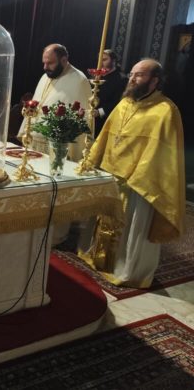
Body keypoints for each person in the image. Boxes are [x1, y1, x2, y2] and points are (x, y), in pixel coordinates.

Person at [80, 59, 185, 288]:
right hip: (111, 175)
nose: (132, 79)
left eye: (139, 75)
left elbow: (163, 154)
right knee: (103, 222)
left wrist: (136, 176)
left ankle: (127, 270)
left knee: (131, 230)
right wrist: (91, 161)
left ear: (154, 81)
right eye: (132, 74)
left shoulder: (165, 111)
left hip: (139, 183)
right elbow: (106, 136)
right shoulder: (124, 104)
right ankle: (100, 260)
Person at [17, 44, 91, 160]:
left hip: (56, 148)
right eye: (44, 63)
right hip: (34, 143)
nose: (45, 67)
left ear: (64, 60)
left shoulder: (79, 80)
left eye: (50, 63)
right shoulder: (45, 77)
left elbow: (82, 120)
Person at [92, 49, 128, 136]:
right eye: (100, 60)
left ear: (114, 60)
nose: (101, 63)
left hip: (107, 119)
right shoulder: (97, 76)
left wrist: (100, 112)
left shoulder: (122, 79)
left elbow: (117, 101)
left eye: (104, 59)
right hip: (92, 116)